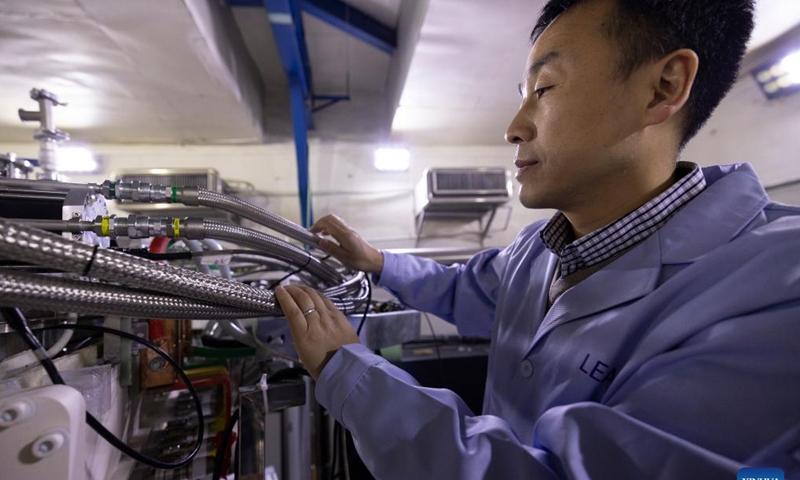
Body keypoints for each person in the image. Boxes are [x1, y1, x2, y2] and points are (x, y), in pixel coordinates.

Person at [274, 0, 800, 477]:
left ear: (663, 87)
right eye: (523, 95)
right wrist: (374, 259)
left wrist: (348, 372)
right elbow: (463, 289)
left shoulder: (777, 284)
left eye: (543, 89)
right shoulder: (538, 249)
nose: (514, 127)